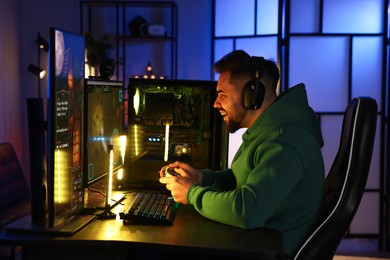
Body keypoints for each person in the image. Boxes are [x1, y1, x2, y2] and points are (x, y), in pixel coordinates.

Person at [159, 50, 325, 257]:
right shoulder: (266, 131)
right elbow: (239, 179)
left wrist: (192, 193)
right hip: (255, 242)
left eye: (223, 94)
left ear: (253, 95)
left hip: (269, 250)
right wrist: (201, 178)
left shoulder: (286, 140)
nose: (215, 103)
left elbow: (248, 210)